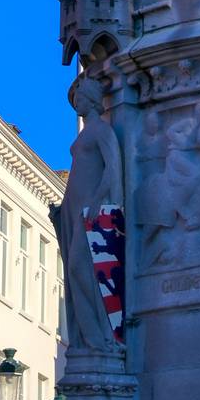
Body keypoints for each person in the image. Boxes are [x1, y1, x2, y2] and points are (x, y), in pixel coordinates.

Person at [51, 75, 124, 355]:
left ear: (92, 99)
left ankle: (101, 337)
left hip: (90, 210)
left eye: (80, 97)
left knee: (81, 269)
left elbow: (113, 168)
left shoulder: (101, 131)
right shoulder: (86, 133)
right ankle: (86, 336)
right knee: (75, 272)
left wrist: (101, 203)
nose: (76, 102)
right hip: (73, 208)